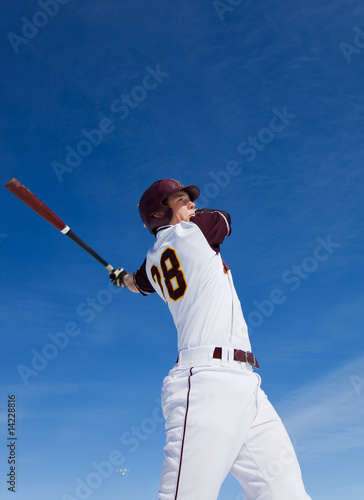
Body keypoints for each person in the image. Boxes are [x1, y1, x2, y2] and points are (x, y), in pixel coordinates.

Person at [110, 178, 312, 500]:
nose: (192, 204)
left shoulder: (152, 260)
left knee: (285, 491)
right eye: (180, 200)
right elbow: (225, 219)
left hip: (247, 387)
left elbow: (140, 283)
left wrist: (123, 280)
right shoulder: (195, 230)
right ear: (159, 214)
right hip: (206, 381)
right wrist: (129, 277)